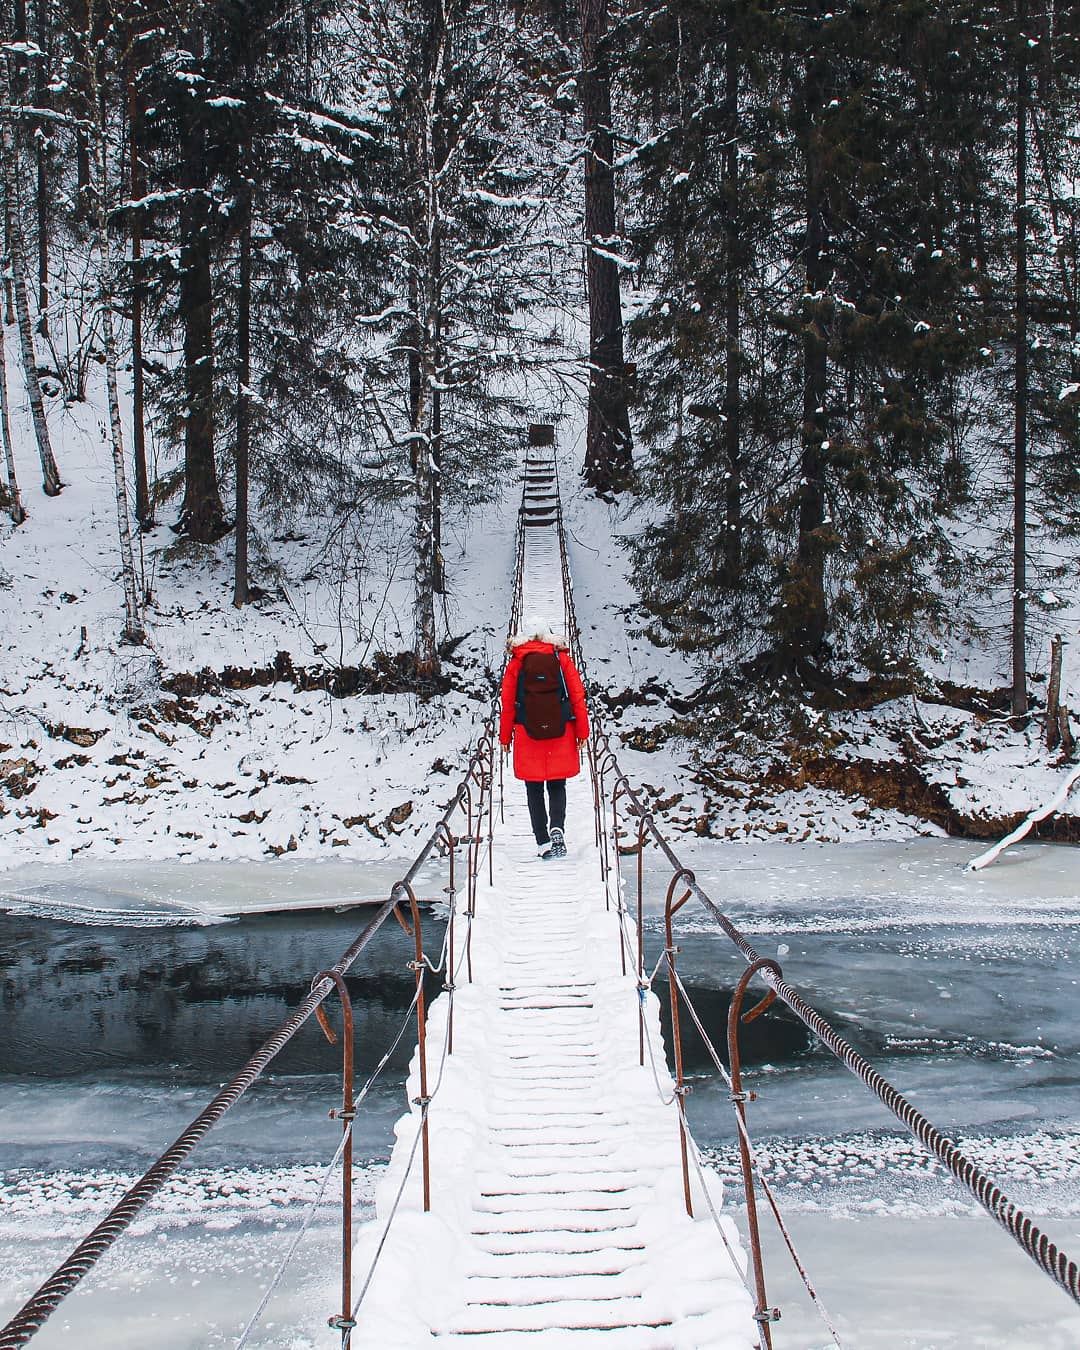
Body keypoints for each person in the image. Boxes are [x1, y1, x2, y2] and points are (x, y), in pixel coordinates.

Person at [499, 615, 590, 859]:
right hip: (560, 730)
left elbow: (507, 703)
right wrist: (583, 731)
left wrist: (505, 737)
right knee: (558, 783)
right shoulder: (561, 659)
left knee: (534, 788)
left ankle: (542, 842)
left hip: (527, 732)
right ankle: (557, 827)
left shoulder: (517, 662)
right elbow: (577, 697)